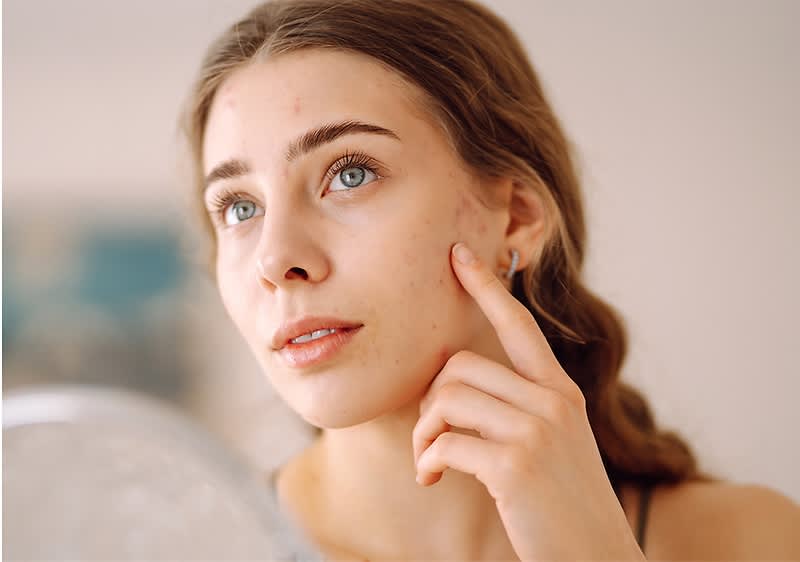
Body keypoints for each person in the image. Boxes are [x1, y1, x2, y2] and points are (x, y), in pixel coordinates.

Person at [179, 0, 800, 559]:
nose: (275, 259)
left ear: (517, 217)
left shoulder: (749, 542)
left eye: (350, 174)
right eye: (239, 207)